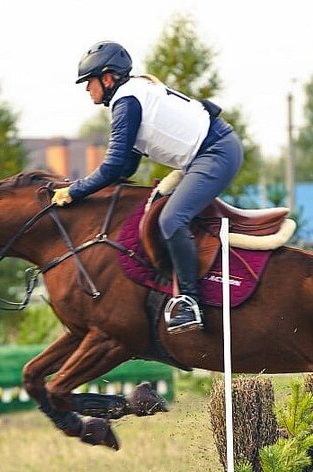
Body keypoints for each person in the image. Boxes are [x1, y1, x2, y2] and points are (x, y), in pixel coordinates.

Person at [51, 40, 244, 334]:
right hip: (205, 153)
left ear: (107, 78)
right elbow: (126, 167)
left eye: (89, 82)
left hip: (216, 152)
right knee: (153, 209)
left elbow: (114, 166)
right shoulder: (131, 95)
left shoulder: (126, 102)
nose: (87, 90)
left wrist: (74, 191)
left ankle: (191, 302)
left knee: (171, 218)